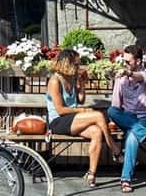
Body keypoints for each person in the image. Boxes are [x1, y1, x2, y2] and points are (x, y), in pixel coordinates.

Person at [46, 48, 122, 187]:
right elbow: (60, 109)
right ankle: (114, 147)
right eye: (76, 64)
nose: (78, 67)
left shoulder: (71, 77)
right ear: (66, 63)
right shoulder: (55, 81)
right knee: (98, 115)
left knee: (96, 132)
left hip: (73, 119)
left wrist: (82, 84)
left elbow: (80, 99)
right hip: (58, 121)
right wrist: (82, 110)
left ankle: (91, 174)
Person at [108, 45, 146, 194]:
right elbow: (115, 106)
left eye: (128, 62)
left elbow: (142, 78)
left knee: (132, 136)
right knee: (111, 111)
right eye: (123, 62)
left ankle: (126, 179)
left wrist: (128, 73)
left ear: (137, 61)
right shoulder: (121, 79)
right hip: (128, 117)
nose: (124, 65)